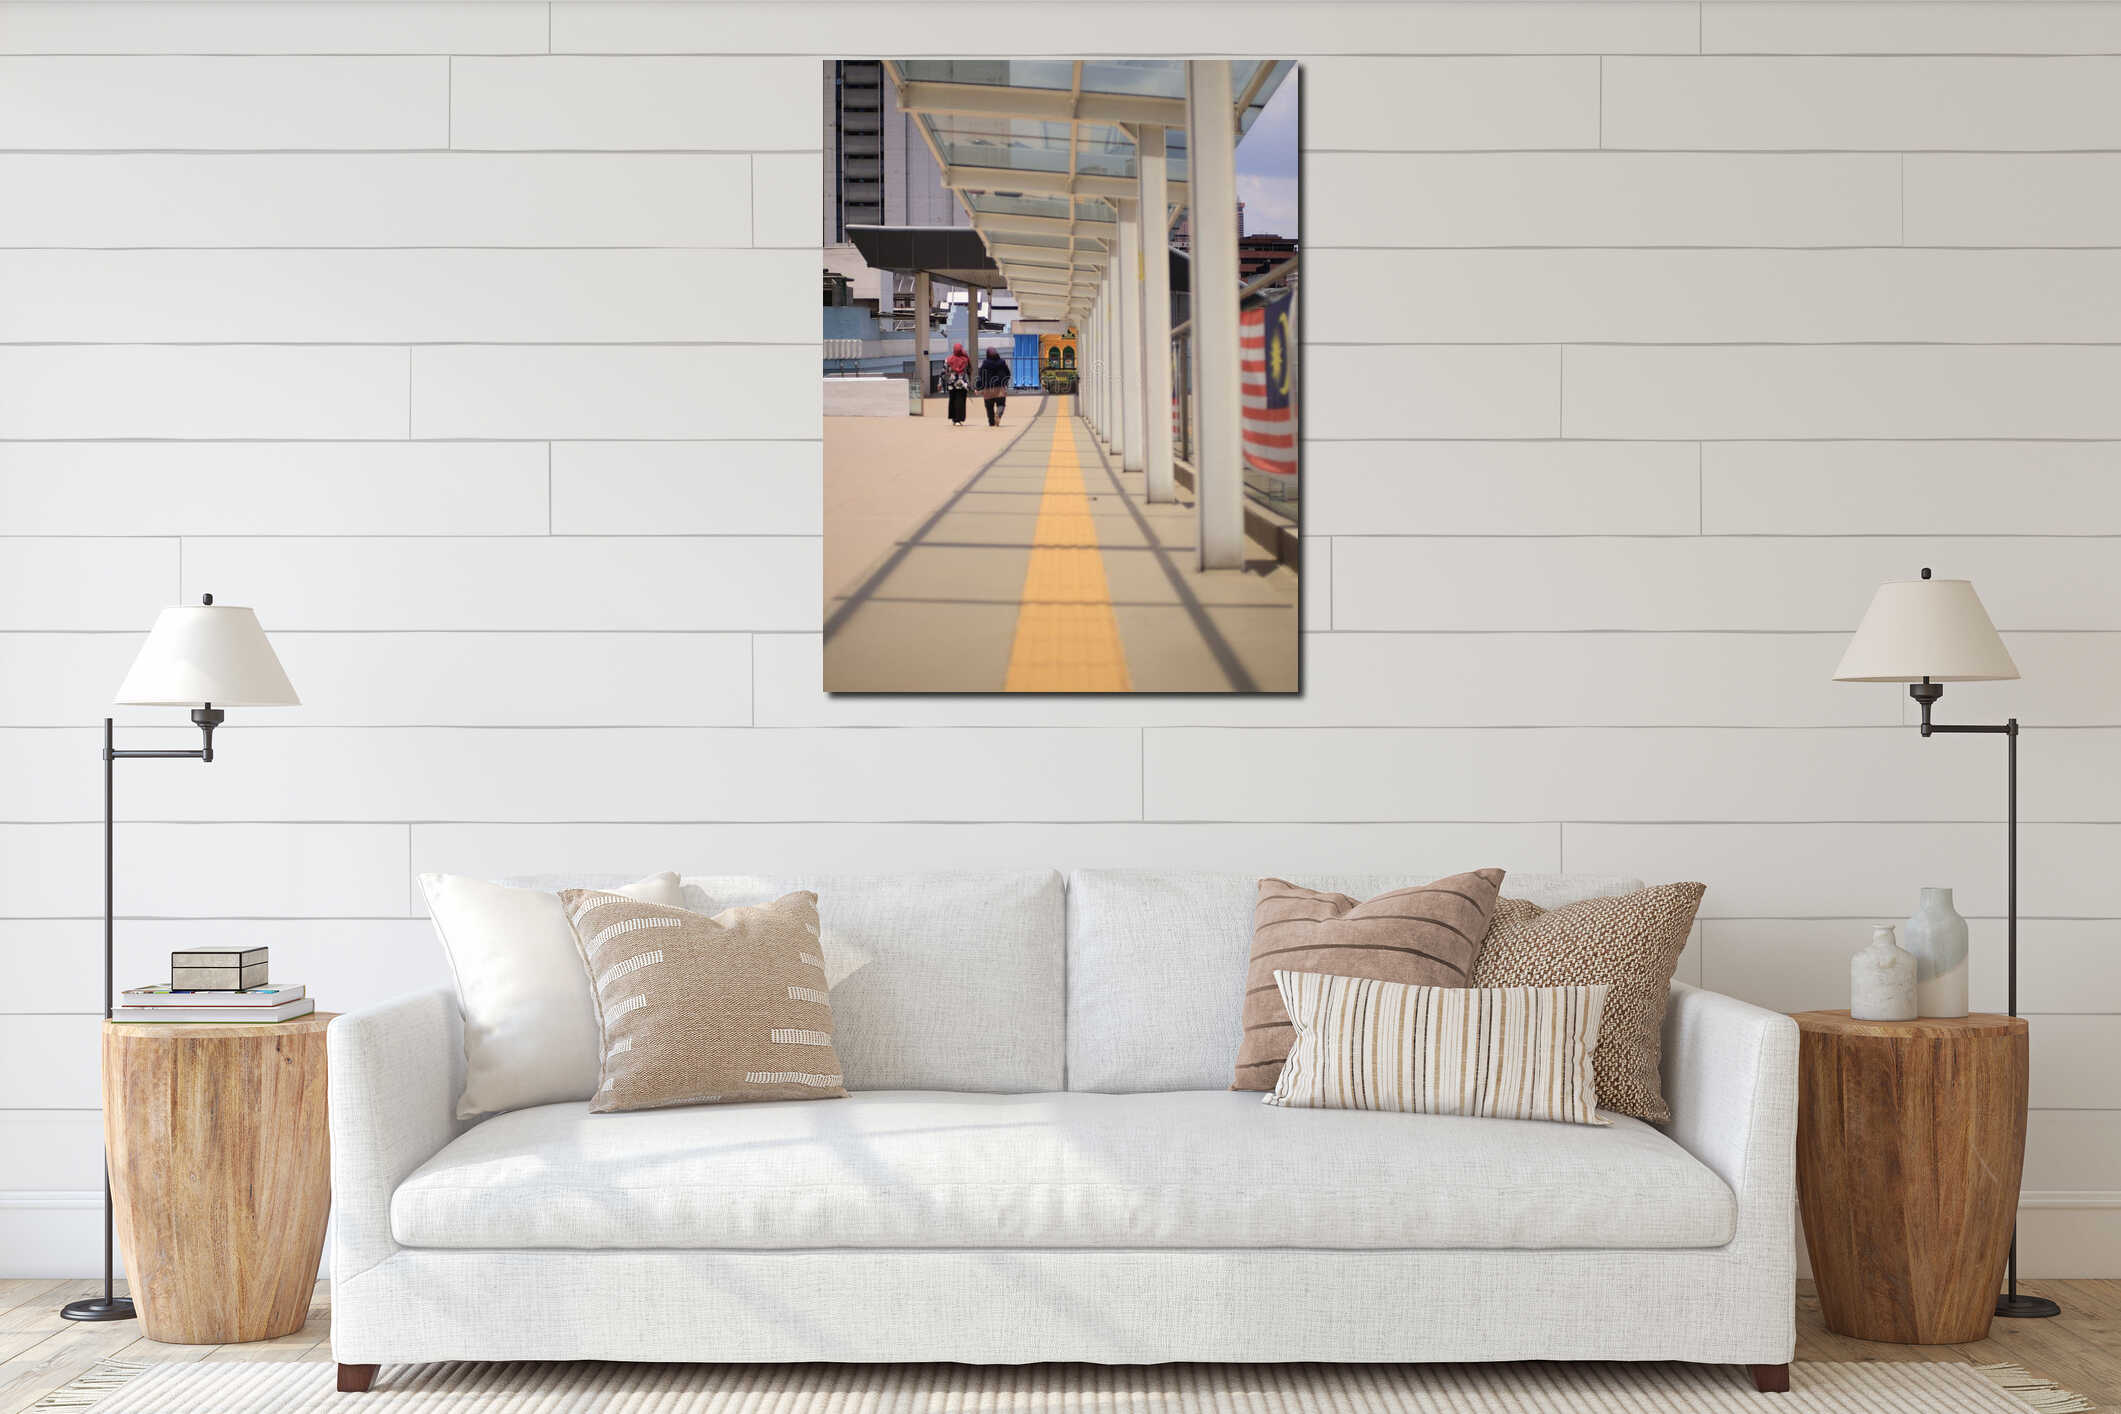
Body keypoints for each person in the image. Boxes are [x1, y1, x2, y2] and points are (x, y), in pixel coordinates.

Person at [976, 347, 1011, 426]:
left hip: (988, 389)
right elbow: (1008, 374)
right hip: (1000, 388)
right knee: (1001, 404)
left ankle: (991, 422)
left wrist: (978, 387)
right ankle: (998, 414)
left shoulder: (985, 364)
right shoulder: (1002, 363)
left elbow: (980, 376)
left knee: (989, 407)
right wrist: (1005, 382)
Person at [943, 342, 971, 426]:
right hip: (962, 384)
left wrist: (940, 383)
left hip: (952, 383)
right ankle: (959, 419)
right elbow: (969, 371)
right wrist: (969, 382)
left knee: (952, 400)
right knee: (961, 401)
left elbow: (944, 372)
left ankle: (954, 418)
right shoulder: (965, 360)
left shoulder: (948, 360)